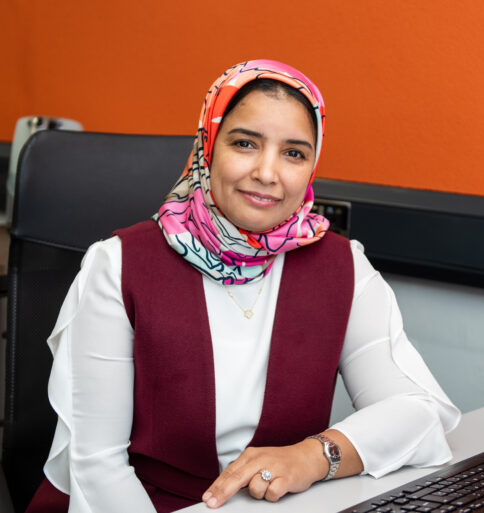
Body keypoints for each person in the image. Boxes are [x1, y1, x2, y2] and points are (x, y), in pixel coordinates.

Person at [25, 60, 460, 513]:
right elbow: (97, 466)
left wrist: (314, 456)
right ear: (207, 147)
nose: (268, 173)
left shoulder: (342, 265)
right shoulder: (117, 264)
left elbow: (420, 410)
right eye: (245, 143)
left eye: (293, 153)